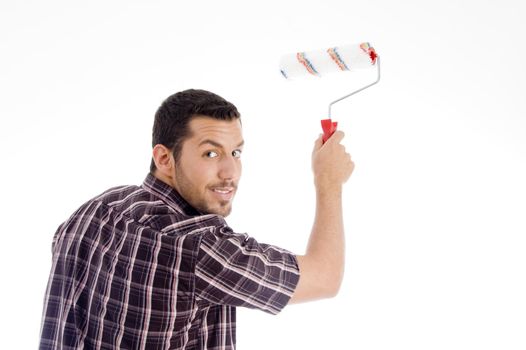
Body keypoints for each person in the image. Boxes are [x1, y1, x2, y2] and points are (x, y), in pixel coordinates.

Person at [39, 89, 354, 349]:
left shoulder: (91, 211)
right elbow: (325, 278)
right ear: (164, 158)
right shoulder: (199, 247)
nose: (231, 173)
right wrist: (328, 182)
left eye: (236, 153)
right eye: (211, 154)